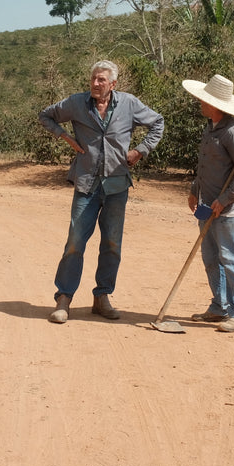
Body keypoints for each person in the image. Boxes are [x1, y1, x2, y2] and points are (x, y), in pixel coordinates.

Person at [39, 60, 164, 324]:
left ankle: (102, 297)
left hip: (117, 185)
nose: (95, 84)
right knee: (75, 242)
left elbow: (158, 123)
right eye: (93, 79)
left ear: (113, 84)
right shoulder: (76, 103)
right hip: (86, 183)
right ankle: (64, 298)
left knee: (112, 244)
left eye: (101, 80)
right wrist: (65, 137)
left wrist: (140, 151)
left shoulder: (129, 103)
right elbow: (45, 115)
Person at [182, 74, 234, 333]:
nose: (200, 103)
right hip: (206, 205)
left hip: (227, 211)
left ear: (215, 105)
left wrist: (224, 200)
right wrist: (194, 190)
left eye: (204, 100)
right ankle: (219, 307)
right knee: (211, 258)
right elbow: (206, 166)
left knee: (231, 259)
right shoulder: (210, 127)